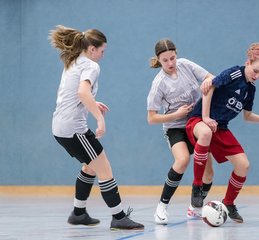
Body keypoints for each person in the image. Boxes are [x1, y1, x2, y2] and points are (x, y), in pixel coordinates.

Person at [49, 25, 144, 230]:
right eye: (102, 51)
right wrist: (100, 119)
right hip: (73, 129)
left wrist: (91, 101)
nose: (103, 55)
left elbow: (70, 92)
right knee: (104, 168)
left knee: (90, 166)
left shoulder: (73, 62)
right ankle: (118, 217)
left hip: (60, 127)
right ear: (92, 49)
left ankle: (78, 213)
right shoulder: (91, 66)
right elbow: (83, 92)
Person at [185, 42, 259, 223]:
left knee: (243, 165)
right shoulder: (234, 73)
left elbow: (246, 115)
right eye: (255, 71)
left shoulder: (251, 89)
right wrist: (205, 117)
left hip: (220, 128)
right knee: (205, 134)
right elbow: (209, 88)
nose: (257, 76)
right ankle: (197, 186)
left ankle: (229, 203)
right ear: (248, 63)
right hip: (199, 120)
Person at [147, 39, 215, 225]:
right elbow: (151, 118)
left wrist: (206, 84)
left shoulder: (185, 65)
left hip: (195, 122)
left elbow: (211, 77)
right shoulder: (159, 83)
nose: (170, 63)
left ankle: (195, 208)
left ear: (177, 54)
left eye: (172, 58)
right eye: (165, 60)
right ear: (158, 60)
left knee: (209, 173)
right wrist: (176, 114)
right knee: (183, 160)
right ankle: (162, 207)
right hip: (175, 127)